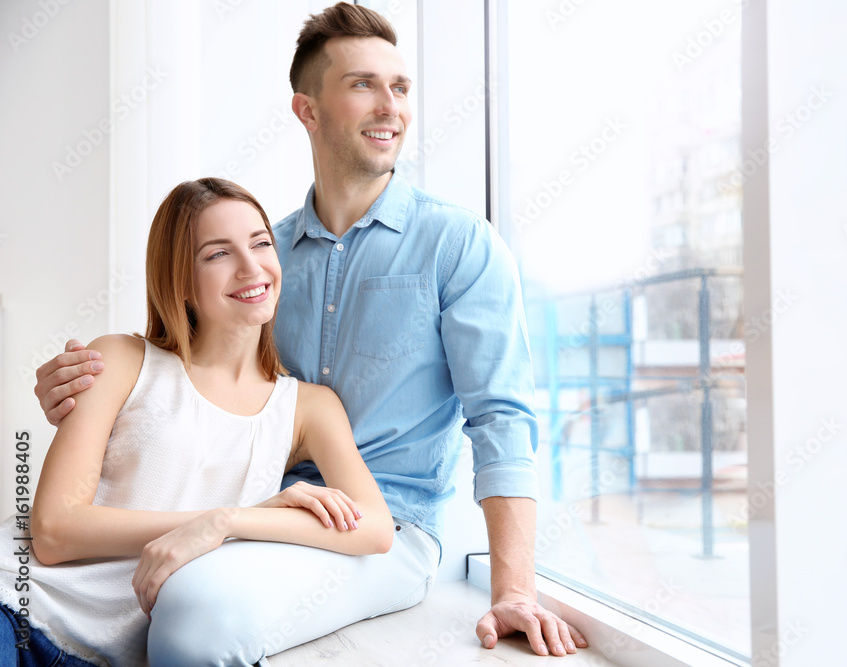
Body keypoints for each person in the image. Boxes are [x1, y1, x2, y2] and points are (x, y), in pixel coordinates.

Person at [34, 3, 587, 662]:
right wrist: (89, 387)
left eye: (400, 86)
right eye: (363, 84)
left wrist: (515, 588)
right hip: (267, 506)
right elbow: (192, 364)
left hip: (384, 523)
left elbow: (501, 416)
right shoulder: (270, 260)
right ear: (308, 110)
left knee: (194, 613)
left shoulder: (458, 243)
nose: (391, 105)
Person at [5, 178, 394, 666]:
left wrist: (229, 522)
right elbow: (55, 530)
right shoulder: (121, 360)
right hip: (18, 611)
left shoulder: (309, 407)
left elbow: (376, 529)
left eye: (260, 244)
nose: (251, 268)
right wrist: (206, 524)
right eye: (218, 254)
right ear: (180, 281)